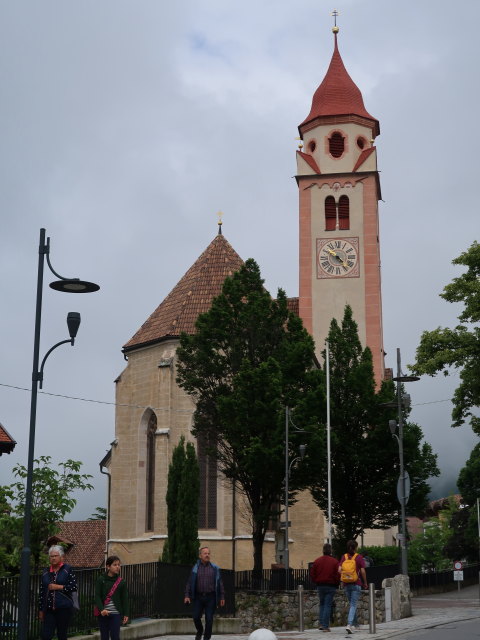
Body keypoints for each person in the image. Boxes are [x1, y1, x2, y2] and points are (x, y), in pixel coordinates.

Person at [184, 546, 225, 640]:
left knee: (209, 620)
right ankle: (200, 630)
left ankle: (206, 638)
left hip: (211, 598)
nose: (207, 555)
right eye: (205, 553)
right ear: (200, 556)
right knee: (196, 617)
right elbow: (189, 582)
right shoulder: (195, 568)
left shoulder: (214, 568)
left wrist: (222, 597)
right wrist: (187, 595)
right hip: (198, 597)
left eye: (208, 553)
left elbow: (220, 583)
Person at [39, 545, 78, 640]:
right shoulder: (45, 571)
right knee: (46, 635)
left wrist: (58, 587)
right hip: (48, 609)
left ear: (61, 557)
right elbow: (42, 591)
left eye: (56, 556)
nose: (53, 558)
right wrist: (40, 610)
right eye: (51, 556)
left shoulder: (67, 569)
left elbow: (73, 587)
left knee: (62, 634)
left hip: (64, 608)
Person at [95, 555, 129, 640]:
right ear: (108, 566)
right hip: (103, 614)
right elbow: (97, 596)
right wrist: (102, 610)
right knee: (104, 637)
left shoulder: (122, 582)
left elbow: (124, 599)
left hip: (115, 614)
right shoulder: (101, 579)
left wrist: (126, 614)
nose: (117, 567)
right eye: (115, 565)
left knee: (115, 637)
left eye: (118, 565)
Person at [309, 543, 339, 632]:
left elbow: (312, 574)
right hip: (331, 586)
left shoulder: (317, 561)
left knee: (322, 604)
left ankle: (321, 624)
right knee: (327, 605)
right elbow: (338, 575)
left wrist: (316, 581)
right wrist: (337, 583)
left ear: (323, 550)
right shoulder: (334, 561)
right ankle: (325, 626)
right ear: (331, 551)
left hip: (320, 585)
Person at [339, 540, 367, 634]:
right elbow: (362, 571)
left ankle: (355, 625)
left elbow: (339, 570)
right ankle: (349, 624)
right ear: (355, 547)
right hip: (356, 583)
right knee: (353, 605)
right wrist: (365, 582)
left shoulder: (344, 557)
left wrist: (343, 579)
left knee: (352, 604)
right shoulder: (358, 557)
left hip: (346, 584)